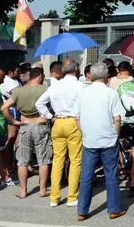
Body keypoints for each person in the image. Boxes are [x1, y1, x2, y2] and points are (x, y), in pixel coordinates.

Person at [75, 62, 126, 221]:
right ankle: (114, 209)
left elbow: (77, 118)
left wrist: (84, 133)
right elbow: (117, 118)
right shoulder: (111, 93)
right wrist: (116, 134)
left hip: (89, 139)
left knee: (87, 176)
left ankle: (82, 211)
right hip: (108, 138)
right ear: (106, 76)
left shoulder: (83, 92)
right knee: (111, 174)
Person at [35, 60, 83, 207]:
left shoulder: (55, 86)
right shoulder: (81, 86)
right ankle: (72, 196)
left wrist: (50, 116)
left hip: (58, 122)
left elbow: (39, 103)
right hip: (74, 122)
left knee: (57, 160)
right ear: (76, 69)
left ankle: (54, 197)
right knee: (75, 161)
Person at [1, 67, 52, 199]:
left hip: (24, 125)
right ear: (40, 76)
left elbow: (4, 108)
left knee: (22, 160)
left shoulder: (19, 91)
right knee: (43, 160)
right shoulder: (45, 89)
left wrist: (13, 121)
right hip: (41, 124)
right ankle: (42, 189)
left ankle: (23, 191)